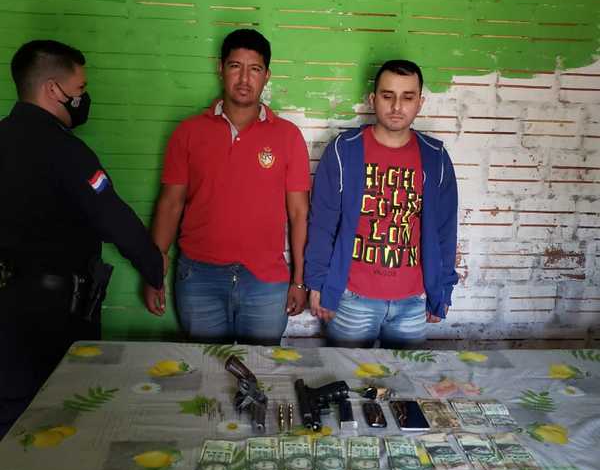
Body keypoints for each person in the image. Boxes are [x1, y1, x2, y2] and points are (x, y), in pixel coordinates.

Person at [0, 40, 165, 438]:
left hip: (6, 307)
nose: (83, 98)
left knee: (8, 418)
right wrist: (154, 268)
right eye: (79, 89)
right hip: (54, 315)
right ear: (53, 90)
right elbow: (114, 219)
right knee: (62, 417)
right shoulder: (66, 152)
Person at [144, 28, 310, 345]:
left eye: (255, 69)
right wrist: (154, 270)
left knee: (261, 368)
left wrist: (299, 281)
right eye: (236, 66)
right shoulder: (188, 132)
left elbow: (299, 213)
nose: (244, 78)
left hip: (265, 281)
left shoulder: (287, 136)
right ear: (220, 68)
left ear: (266, 75)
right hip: (199, 278)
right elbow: (170, 204)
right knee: (205, 367)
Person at [304, 59, 458, 348]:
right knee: (346, 372)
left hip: (413, 301)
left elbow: (445, 230)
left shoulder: (435, 157)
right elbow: (322, 223)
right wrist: (317, 283)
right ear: (373, 99)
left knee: (405, 375)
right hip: (351, 298)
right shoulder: (344, 150)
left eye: (407, 97)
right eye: (388, 96)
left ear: (420, 103)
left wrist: (443, 290)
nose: (397, 106)